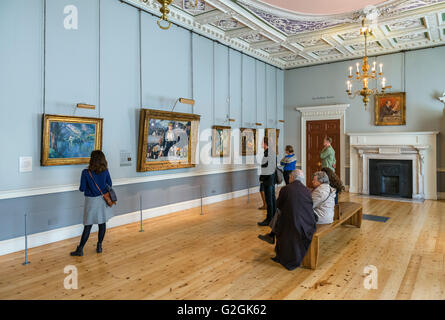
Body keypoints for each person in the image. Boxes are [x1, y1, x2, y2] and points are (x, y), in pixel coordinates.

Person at [258, 169, 316, 270]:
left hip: (294, 223)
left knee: (279, 216)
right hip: (308, 222)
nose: (289, 179)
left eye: (289, 177)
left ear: (292, 177)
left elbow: (278, 205)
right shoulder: (307, 189)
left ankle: (272, 235)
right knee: (281, 215)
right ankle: (271, 235)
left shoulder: (286, 189)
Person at [70, 150, 114, 256]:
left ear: (92, 159)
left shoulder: (85, 172)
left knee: (88, 225)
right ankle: (99, 246)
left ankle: (80, 249)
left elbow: (82, 188)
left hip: (91, 201)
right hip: (103, 200)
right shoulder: (105, 171)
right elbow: (110, 184)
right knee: (102, 223)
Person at [257, 137, 276, 226]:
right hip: (271, 179)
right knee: (272, 198)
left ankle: (269, 219)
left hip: (268, 179)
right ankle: (274, 218)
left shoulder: (268, 153)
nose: (261, 144)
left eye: (261, 142)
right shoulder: (272, 152)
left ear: (265, 144)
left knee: (269, 200)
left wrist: (262, 178)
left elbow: (266, 168)